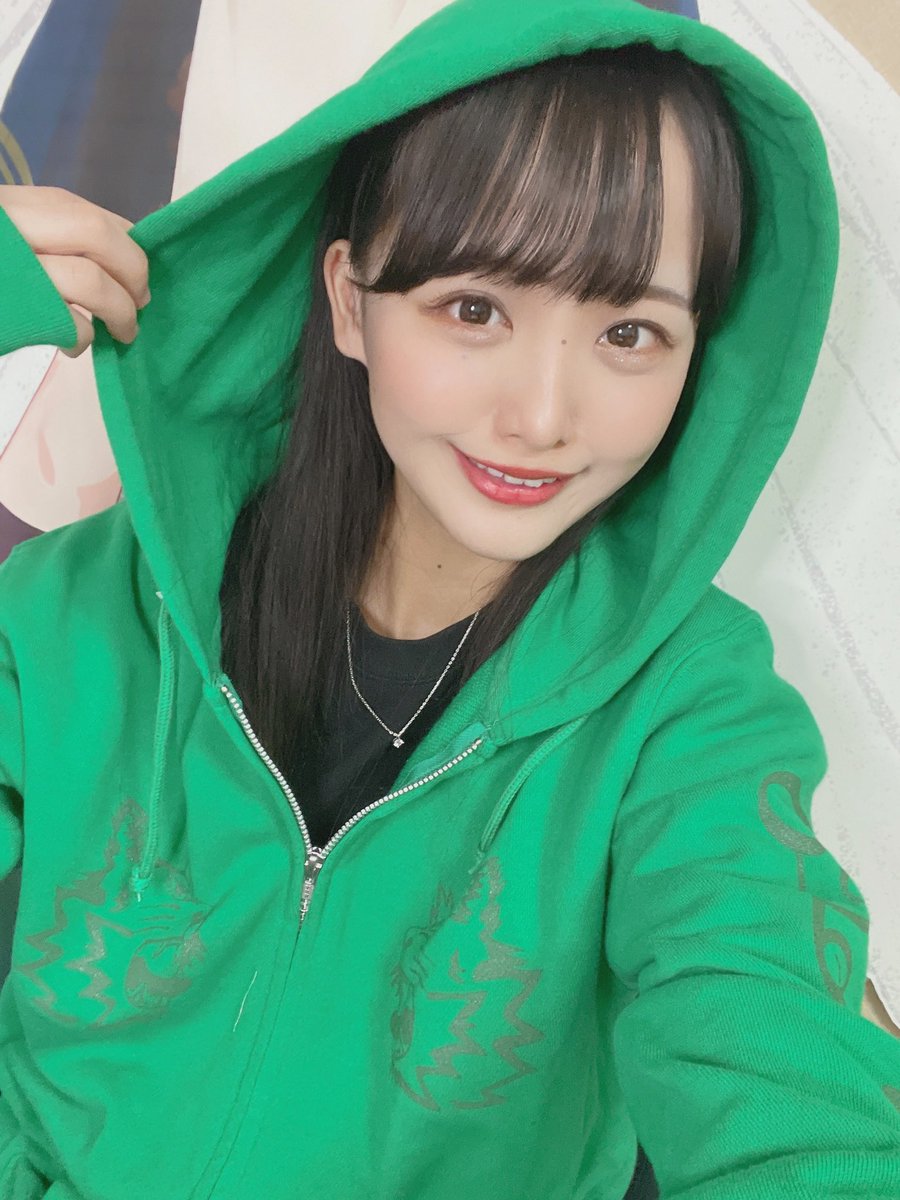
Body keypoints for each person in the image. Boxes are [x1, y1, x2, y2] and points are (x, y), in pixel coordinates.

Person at [0, 0, 898, 1197]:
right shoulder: (85, 607)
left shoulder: (692, 714)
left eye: (632, 332)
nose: (542, 416)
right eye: (475, 309)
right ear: (349, 300)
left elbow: (779, 1074)